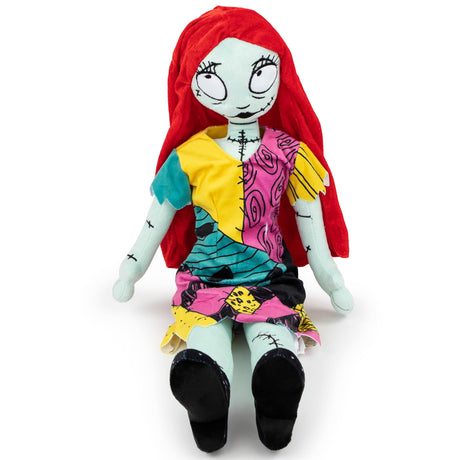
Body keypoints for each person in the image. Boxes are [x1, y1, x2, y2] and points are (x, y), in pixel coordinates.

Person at [113, 6, 353, 453]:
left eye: (259, 76)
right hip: (206, 277)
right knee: (208, 335)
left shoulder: (290, 153)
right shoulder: (190, 156)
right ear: (194, 86)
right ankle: (206, 393)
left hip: (269, 277)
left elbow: (310, 224)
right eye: (215, 82)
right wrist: (132, 266)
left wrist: (330, 277)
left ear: (281, 73)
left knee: (271, 336)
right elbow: (156, 219)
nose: (241, 97)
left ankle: (276, 395)